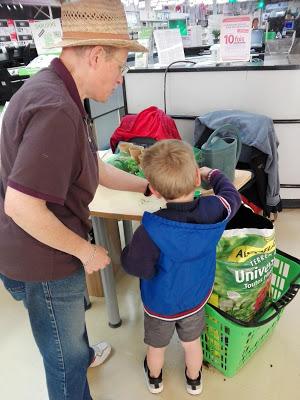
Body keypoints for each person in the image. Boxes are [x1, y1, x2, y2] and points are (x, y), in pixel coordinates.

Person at [0, 1, 148, 399]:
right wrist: (85, 252)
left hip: (43, 246)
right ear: (97, 55)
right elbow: (21, 205)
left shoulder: (62, 90)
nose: (120, 79)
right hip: (43, 257)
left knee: (67, 330)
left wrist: (143, 186)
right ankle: (74, 359)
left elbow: (89, 167)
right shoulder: (56, 109)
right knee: (62, 360)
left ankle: (80, 351)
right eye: (120, 68)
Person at [121, 140, 241, 395]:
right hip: (195, 297)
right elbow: (233, 197)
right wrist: (215, 175)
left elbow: (136, 267)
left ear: (153, 190)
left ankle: (155, 379)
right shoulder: (214, 210)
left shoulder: (150, 231)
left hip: (160, 304)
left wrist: (126, 253)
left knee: (156, 348)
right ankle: (194, 379)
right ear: (197, 178)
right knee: (192, 343)